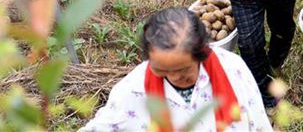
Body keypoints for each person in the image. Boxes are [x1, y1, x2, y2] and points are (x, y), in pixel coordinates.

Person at [79, 7, 272, 132]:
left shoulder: (232, 70)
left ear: (201, 53)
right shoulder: (133, 90)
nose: (174, 77)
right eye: (161, 70)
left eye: (183, 70)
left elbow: (258, 122)